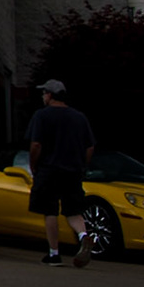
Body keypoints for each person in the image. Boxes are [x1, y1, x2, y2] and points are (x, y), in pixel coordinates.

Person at [27, 79, 97, 267]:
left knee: (49, 210)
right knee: (73, 210)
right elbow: (89, 147)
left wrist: (33, 164)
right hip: (73, 171)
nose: (43, 97)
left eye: (44, 93)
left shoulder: (42, 116)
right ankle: (83, 236)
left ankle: (54, 253)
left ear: (49, 95)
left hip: (49, 170)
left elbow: (36, 145)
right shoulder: (79, 117)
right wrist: (82, 165)